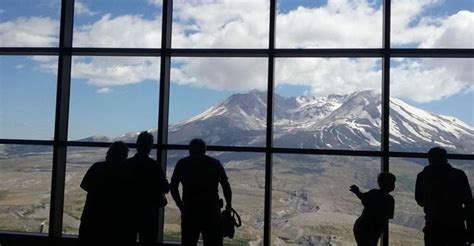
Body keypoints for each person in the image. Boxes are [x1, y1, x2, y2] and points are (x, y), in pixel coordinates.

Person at [170, 138, 232, 246]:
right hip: (212, 210)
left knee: (188, 241)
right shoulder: (215, 163)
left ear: (190, 150)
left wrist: (181, 206)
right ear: (205, 150)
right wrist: (229, 205)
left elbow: (173, 187)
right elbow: (226, 186)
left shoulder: (183, 163)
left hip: (190, 210)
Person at [415, 147, 473, 245]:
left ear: (429, 159)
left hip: (433, 226)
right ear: (445, 158)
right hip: (456, 226)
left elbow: (420, 201)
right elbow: (469, 203)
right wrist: (471, 230)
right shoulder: (459, 175)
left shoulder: (422, 176)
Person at [123, 131, 170, 245]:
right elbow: (165, 188)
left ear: (137, 145)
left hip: (128, 210)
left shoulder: (126, 165)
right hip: (149, 212)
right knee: (149, 239)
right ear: (150, 146)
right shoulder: (154, 166)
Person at [78, 141, 129, 245]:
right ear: (124, 156)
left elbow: (84, 185)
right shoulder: (127, 172)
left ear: (109, 153)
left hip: (92, 216)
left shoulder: (97, 167)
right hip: (116, 220)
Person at [350, 172, 396, 246]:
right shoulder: (390, 200)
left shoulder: (374, 193)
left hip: (361, 227)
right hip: (371, 230)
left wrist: (357, 192)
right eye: (393, 183)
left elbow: (363, 197)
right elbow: (386, 218)